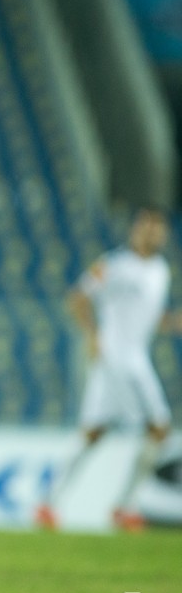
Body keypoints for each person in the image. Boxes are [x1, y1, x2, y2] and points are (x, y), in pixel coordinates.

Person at [37, 206, 181, 533]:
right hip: (115, 359)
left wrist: (172, 322)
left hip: (137, 360)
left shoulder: (160, 271)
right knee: (155, 428)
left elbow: (144, 317)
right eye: (146, 226)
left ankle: (51, 502)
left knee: (96, 432)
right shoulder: (115, 265)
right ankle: (119, 506)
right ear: (134, 230)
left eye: (157, 228)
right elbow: (77, 298)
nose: (151, 233)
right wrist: (92, 336)